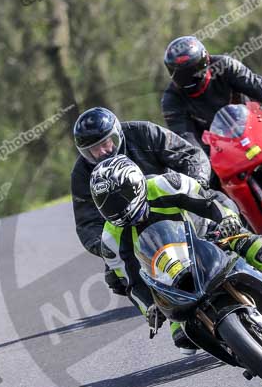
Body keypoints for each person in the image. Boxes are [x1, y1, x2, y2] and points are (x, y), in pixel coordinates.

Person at [90, 155, 262, 354]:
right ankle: (237, 348)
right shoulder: (110, 239)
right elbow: (131, 282)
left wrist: (227, 219)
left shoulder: (165, 184)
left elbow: (209, 202)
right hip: (170, 273)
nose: (116, 207)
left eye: (120, 198)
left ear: (136, 184)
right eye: (107, 205)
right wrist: (149, 307)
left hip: (207, 234)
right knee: (182, 336)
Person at [71, 106, 212, 295]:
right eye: (93, 150)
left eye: (107, 142)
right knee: (114, 278)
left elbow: (190, 155)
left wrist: (196, 185)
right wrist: (107, 246)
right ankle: (164, 308)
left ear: (117, 134)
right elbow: (87, 223)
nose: (103, 151)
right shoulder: (81, 173)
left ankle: (257, 257)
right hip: (133, 230)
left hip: (175, 206)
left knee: (221, 211)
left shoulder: (144, 132)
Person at [161, 35, 262, 152]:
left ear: (205, 62)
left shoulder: (224, 65)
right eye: (181, 74)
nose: (189, 78)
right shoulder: (171, 100)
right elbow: (185, 135)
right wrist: (201, 159)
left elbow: (253, 84)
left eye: (193, 70)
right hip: (219, 142)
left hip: (253, 116)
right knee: (209, 181)